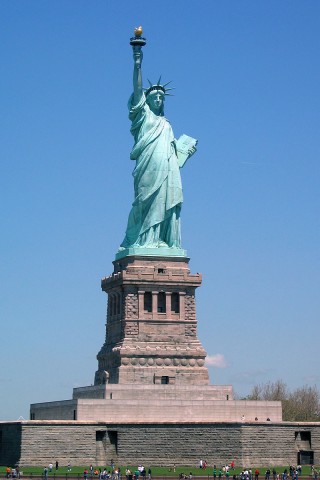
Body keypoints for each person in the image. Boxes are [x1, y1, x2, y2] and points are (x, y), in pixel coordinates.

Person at [119, 42, 196, 252]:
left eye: (162, 97)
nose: (159, 99)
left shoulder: (167, 124)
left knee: (166, 201)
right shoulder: (143, 116)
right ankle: (142, 240)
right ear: (148, 100)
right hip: (148, 164)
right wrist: (137, 62)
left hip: (168, 168)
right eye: (155, 97)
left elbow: (174, 154)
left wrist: (184, 153)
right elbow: (137, 90)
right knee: (144, 200)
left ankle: (163, 240)